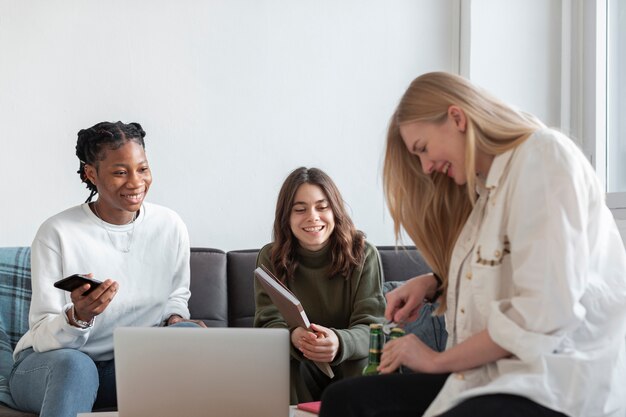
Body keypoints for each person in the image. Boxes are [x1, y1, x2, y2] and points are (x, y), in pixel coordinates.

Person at [319, 72, 626, 417]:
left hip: (555, 383)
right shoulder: (485, 195)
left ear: (456, 118)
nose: (426, 166)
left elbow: (542, 314)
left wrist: (435, 360)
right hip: (495, 378)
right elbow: (509, 267)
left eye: (423, 149)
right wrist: (435, 283)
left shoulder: (543, 158)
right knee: (345, 400)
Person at [9, 121, 206, 417]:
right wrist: (79, 317)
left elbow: (176, 296)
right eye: (120, 172)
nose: (136, 182)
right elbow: (41, 334)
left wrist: (177, 321)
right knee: (78, 367)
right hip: (52, 366)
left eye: (142, 169)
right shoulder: (57, 232)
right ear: (91, 174)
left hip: (125, 369)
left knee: (190, 336)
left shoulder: (170, 226)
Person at [254, 167, 386, 404]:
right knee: (279, 359)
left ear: (335, 211)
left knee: (364, 360)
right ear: (287, 217)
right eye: (300, 209)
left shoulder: (364, 254)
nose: (313, 217)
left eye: (322, 207)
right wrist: (294, 337)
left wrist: (338, 342)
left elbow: (373, 327)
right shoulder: (270, 258)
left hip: (351, 365)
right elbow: (268, 323)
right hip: (302, 367)